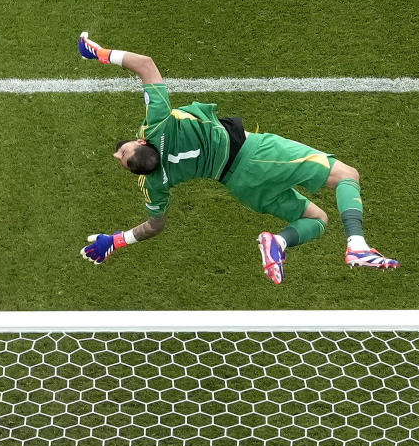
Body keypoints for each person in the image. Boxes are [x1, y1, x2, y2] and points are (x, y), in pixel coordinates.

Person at [76, 32, 399, 284]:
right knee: (346, 175)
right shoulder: (159, 123)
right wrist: (100, 54)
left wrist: (116, 241)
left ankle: (279, 243)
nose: (118, 154)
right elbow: (145, 64)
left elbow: (155, 225)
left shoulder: (155, 185)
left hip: (240, 185)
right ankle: (357, 245)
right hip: (256, 155)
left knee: (317, 220)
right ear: (141, 140)